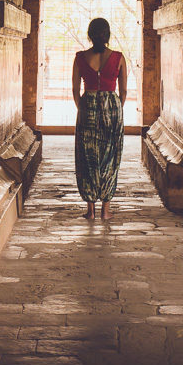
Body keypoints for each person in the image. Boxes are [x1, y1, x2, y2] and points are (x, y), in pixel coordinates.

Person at [71, 17, 127, 220]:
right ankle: (106, 210)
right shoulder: (119, 57)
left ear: (89, 35)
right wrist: (115, 109)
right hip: (112, 107)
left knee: (88, 157)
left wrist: (84, 109)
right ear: (108, 35)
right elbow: (124, 91)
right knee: (110, 157)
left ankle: (90, 210)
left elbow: (75, 90)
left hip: (88, 107)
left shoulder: (80, 58)